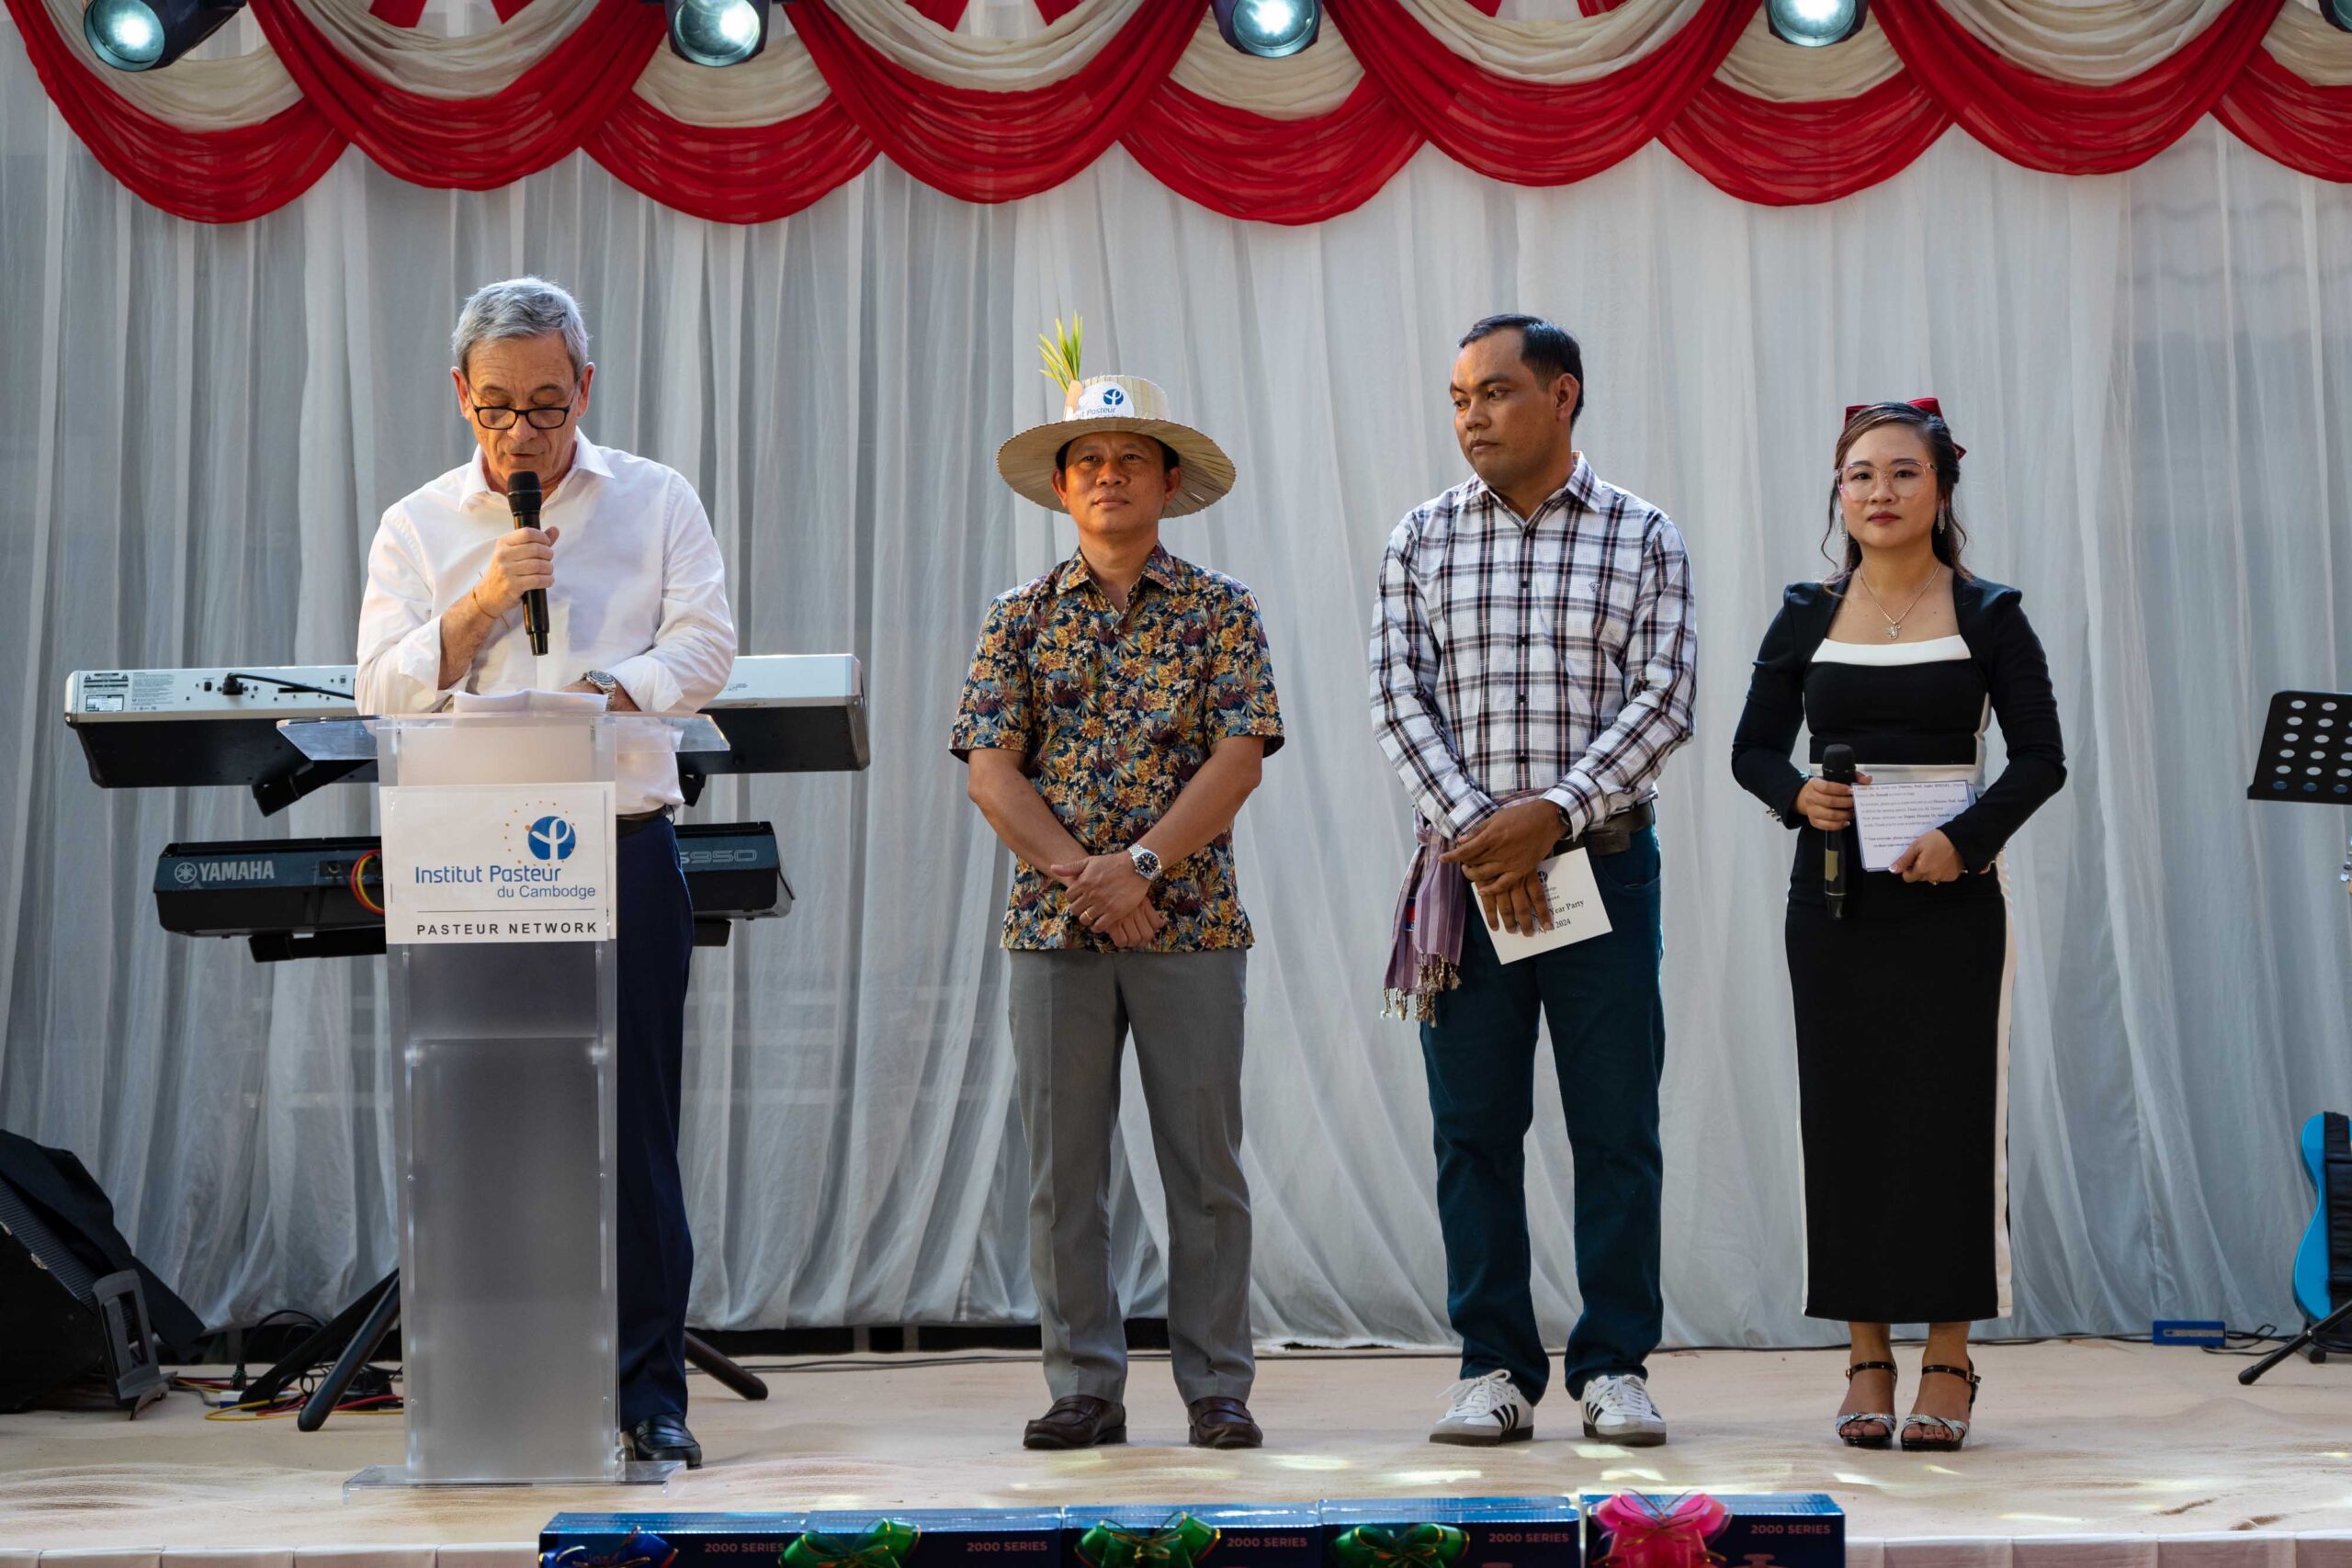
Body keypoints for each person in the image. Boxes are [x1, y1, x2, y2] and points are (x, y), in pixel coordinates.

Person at [356, 276, 736, 1468]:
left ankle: (647, 1393)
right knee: (478, 1123)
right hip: (468, 845)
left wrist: (608, 688)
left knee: (635, 1132)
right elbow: (380, 686)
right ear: (461, 396)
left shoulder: (655, 496)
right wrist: (479, 606)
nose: (523, 433)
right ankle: (489, 1385)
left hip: (616, 836)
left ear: (586, 387)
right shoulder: (419, 523)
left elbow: (708, 642)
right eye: (499, 409)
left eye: (548, 406)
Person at [1370, 314, 1696, 1448]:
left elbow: (1664, 700)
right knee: (1473, 1127)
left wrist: (1552, 813)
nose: (1470, 416)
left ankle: (1613, 1366)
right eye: (1458, 397)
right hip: (1464, 881)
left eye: (1495, 392)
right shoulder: (1420, 538)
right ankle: (1492, 1367)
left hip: (1599, 870)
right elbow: (1394, 697)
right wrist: (1482, 832)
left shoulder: (1642, 535)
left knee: (1615, 1126)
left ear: (1564, 395)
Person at [953, 355, 1283, 1452]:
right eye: (1086, 461)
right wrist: (1088, 884)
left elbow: (1239, 759)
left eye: (1128, 460)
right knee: (1065, 1175)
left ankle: (1217, 1388)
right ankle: (1083, 1384)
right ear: (1060, 487)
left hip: (1189, 926)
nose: (1106, 476)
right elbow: (991, 773)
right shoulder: (1016, 617)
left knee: (1205, 1165)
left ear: (1166, 481)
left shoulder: (1220, 611)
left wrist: (1137, 869)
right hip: (1054, 933)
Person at [1730, 398, 2064, 1454]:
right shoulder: (1800, 612)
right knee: (1847, 1120)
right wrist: (1797, 798)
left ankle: (1951, 1357)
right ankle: (1866, 1355)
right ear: (1839, 493)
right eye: (1859, 475)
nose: (1878, 492)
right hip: (1830, 902)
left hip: (1950, 901)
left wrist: (1965, 840)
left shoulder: (1991, 612)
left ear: (1941, 489)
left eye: (1902, 474)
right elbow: (1750, 751)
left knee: (1950, 1120)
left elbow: (2042, 759)